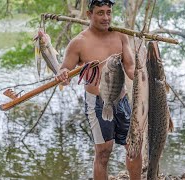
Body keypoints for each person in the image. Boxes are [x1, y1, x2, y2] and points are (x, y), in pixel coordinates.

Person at [55, 0, 142, 179]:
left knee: (134, 148)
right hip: (97, 103)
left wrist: (147, 76)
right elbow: (65, 69)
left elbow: (131, 68)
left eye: (109, 12)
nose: (106, 17)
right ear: (89, 14)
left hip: (122, 100)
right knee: (103, 152)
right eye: (100, 13)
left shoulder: (120, 35)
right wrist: (63, 73)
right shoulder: (78, 42)